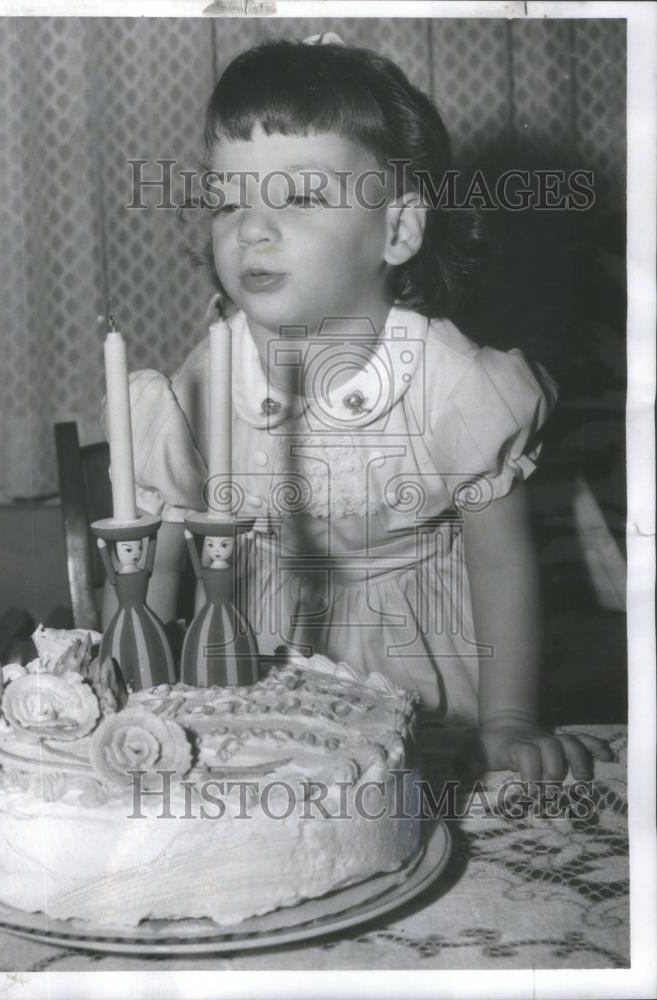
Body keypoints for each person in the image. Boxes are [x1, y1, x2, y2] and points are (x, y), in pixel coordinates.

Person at [118, 35, 611, 781]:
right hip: (260, 665)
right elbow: (157, 559)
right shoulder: (208, 375)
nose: (251, 228)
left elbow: (500, 561)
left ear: (398, 229)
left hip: (425, 676)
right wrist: (137, 694)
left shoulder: (450, 384)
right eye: (227, 200)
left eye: (303, 197)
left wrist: (509, 719)